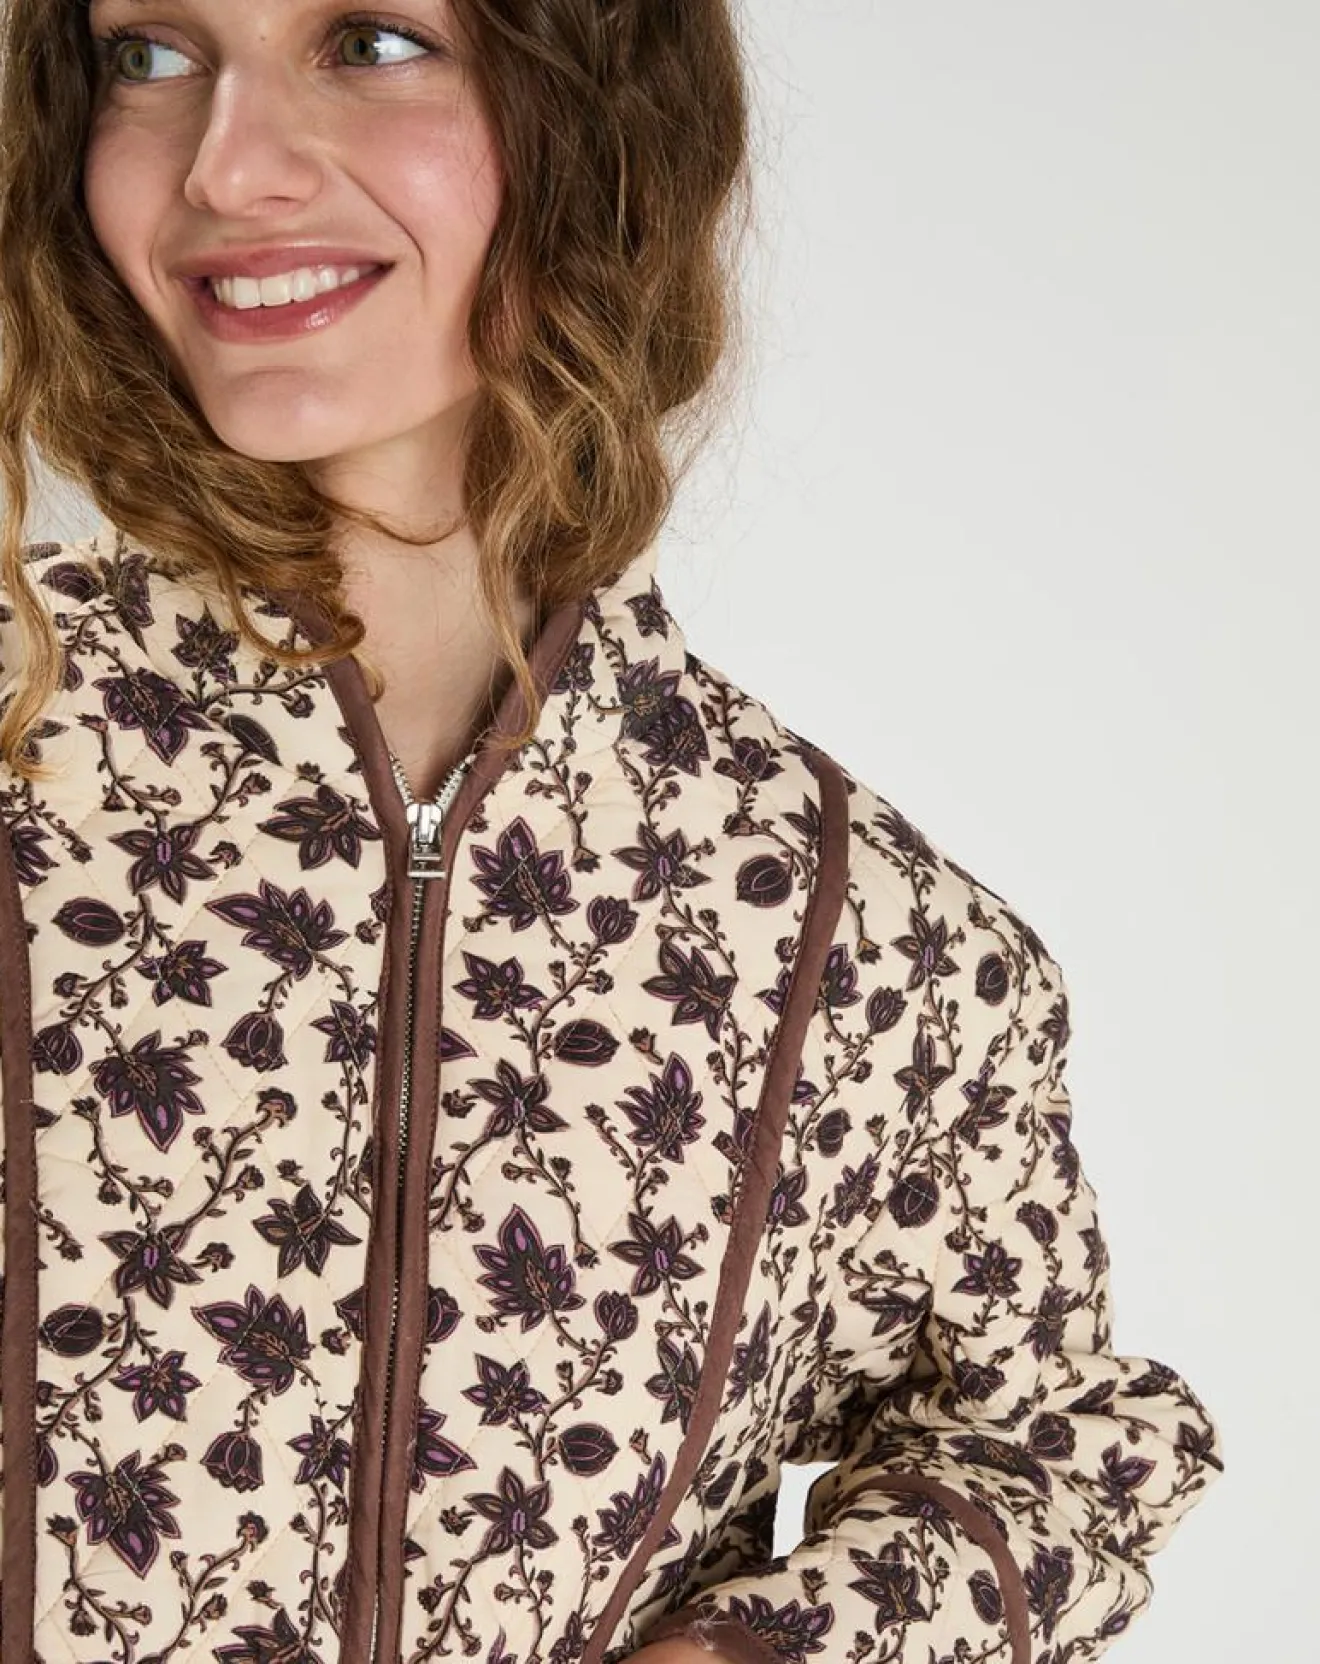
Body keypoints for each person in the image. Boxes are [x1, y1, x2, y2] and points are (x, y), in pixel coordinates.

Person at [0, 5, 1224, 1664]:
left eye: (369, 39)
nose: (227, 165)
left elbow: (1066, 1454)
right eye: (149, 55)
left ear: (600, 122)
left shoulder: (854, 935)